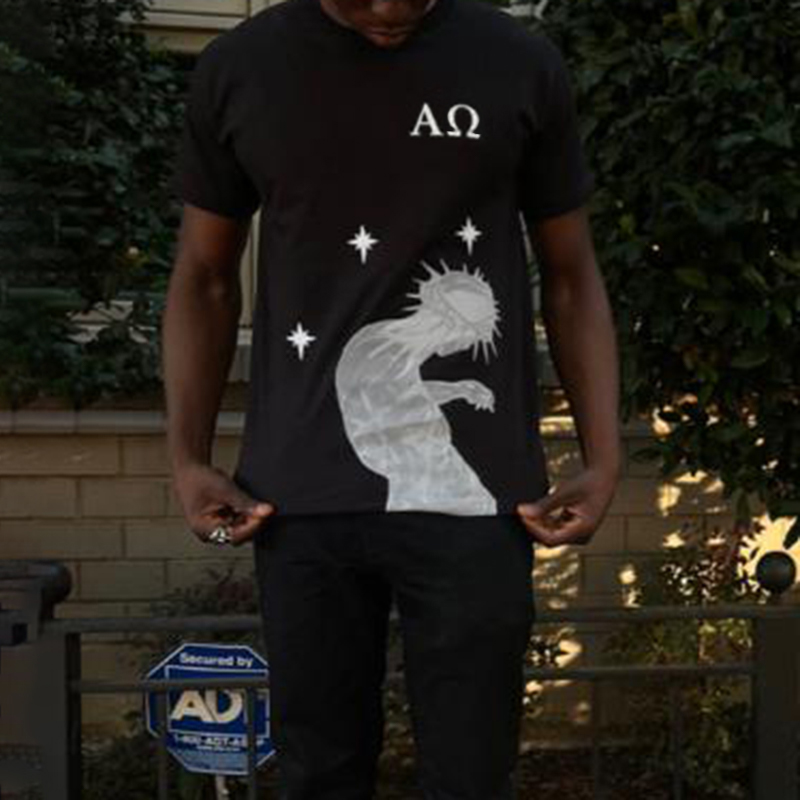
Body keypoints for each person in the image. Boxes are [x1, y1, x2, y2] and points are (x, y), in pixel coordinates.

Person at [162, 0, 621, 795]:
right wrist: (187, 458)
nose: (386, 12)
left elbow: (573, 274)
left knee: (473, 773)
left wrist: (602, 456)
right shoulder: (243, 68)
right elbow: (204, 276)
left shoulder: (517, 63)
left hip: (479, 500)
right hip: (297, 494)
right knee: (318, 772)